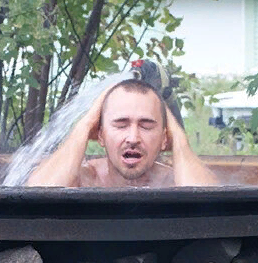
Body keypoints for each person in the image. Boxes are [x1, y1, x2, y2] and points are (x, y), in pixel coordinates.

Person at [25, 78, 219, 188]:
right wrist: (84, 125)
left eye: (146, 126)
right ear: (100, 135)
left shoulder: (173, 181)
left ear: (163, 139)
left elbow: (211, 206)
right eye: (121, 125)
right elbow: (35, 196)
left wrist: (177, 135)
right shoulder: (85, 178)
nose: (133, 138)